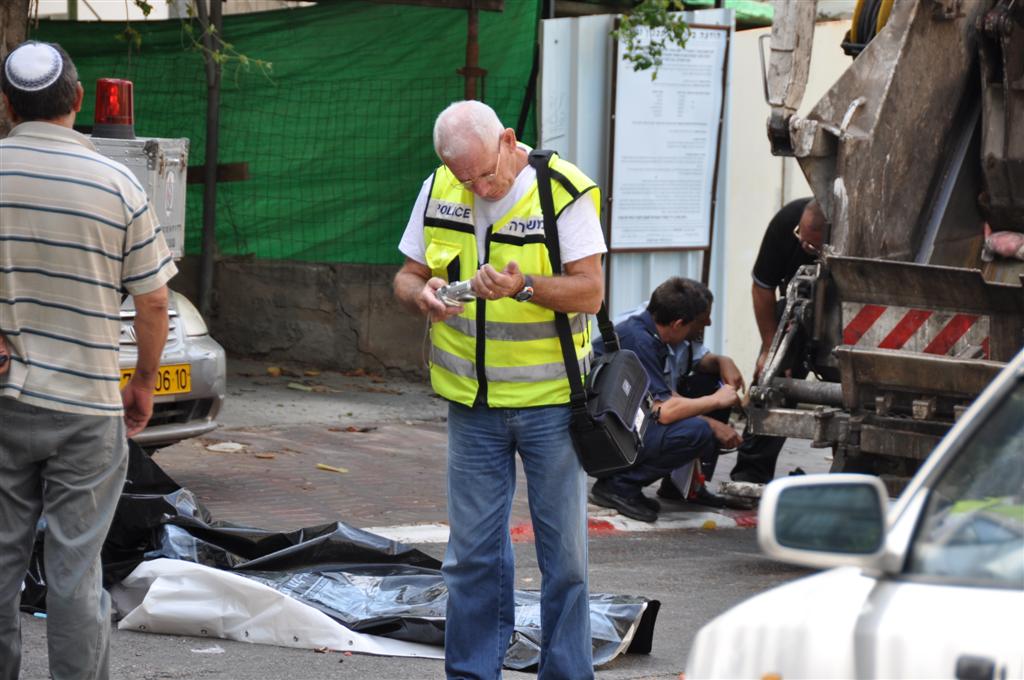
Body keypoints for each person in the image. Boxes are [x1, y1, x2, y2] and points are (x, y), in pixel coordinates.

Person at [393, 100, 605, 679]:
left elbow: (590, 292)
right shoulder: (438, 188)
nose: (480, 188)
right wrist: (421, 295)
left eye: (486, 174)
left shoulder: (563, 191)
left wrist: (524, 286)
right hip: (472, 406)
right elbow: (407, 276)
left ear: (509, 141)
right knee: (472, 558)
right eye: (466, 179)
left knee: (564, 560)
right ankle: (472, 673)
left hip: (552, 404)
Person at [0, 42, 175, 680]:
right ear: (76, 100)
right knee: (75, 571)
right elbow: (153, 302)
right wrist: (144, 383)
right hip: (88, 408)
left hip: (5, 401)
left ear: (6, 105)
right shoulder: (118, 183)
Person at [588, 277, 745, 522]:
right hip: (602, 437)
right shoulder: (638, 341)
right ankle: (619, 486)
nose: (708, 325)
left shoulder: (652, 329)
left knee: (707, 386)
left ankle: (685, 486)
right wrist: (715, 407)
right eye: (700, 322)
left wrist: (723, 363)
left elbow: (670, 390)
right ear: (678, 324)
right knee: (698, 431)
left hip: (619, 423)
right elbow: (663, 411)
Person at [730, 197, 825, 484]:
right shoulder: (787, 221)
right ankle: (750, 473)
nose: (803, 246)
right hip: (800, 308)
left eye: (812, 246)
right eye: (801, 238)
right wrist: (769, 349)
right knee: (771, 378)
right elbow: (762, 287)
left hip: (849, 311)